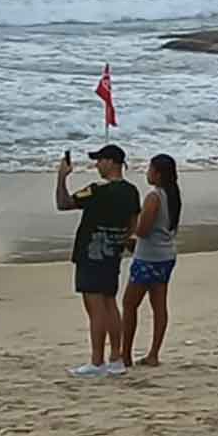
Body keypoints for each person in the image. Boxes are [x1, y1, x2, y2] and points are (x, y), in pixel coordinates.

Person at [55, 144, 140, 377]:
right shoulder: (131, 191)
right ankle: (116, 357)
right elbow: (134, 221)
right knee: (110, 303)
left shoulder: (96, 191)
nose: (97, 165)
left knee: (95, 308)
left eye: (100, 160)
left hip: (91, 253)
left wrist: (61, 177)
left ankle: (97, 360)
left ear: (112, 162)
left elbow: (63, 203)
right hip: (112, 252)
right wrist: (126, 241)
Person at [123, 154, 182, 368]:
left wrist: (130, 233)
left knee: (129, 304)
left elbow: (143, 230)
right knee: (159, 305)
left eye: (149, 168)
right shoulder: (173, 195)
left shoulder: (154, 197)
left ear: (157, 173)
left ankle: (126, 354)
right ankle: (154, 353)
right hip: (166, 255)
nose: (147, 172)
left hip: (148, 256)